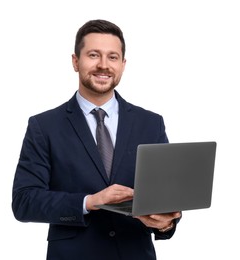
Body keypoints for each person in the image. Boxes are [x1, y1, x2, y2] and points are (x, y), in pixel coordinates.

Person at [12, 19, 181, 260]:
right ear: (75, 61)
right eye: (93, 55)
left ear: (123, 65)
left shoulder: (150, 123)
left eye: (112, 57)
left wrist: (165, 223)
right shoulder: (44, 126)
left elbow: (164, 197)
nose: (103, 65)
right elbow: (24, 201)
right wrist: (89, 202)